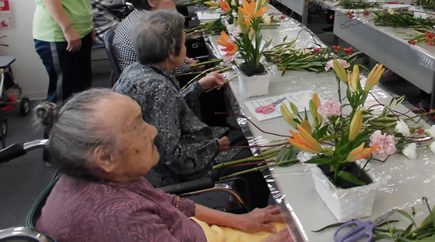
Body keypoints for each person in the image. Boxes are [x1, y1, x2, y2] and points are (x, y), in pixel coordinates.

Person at [34, 89, 291, 242]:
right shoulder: (122, 218)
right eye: (137, 126)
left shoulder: (108, 173)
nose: (153, 130)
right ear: (105, 157)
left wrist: (242, 221)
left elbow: (171, 204)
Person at [112, 10, 265, 193]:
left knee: (248, 137)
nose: (186, 50)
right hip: (170, 171)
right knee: (259, 156)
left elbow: (163, 115)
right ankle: (243, 212)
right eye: (184, 43)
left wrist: (197, 87)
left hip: (167, 155)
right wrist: (214, 146)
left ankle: (238, 200)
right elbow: (174, 158)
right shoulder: (158, 88)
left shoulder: (137, 70)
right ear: (171, 52)